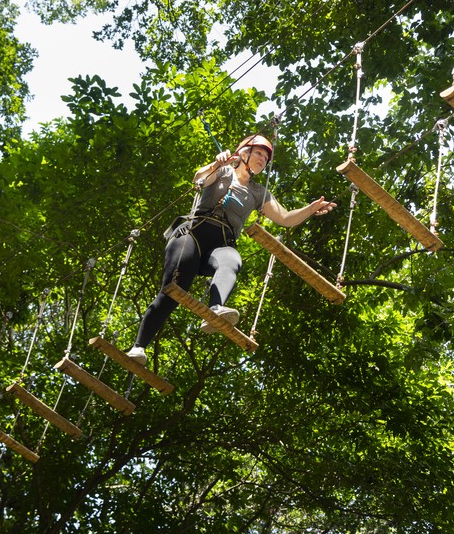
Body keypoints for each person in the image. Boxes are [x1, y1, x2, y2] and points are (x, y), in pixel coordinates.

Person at [125, 134, 337, 364]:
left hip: (220, 245)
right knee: (173, 291)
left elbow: (285, 218)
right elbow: (199, 179)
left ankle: (215, 308)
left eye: (266, 158)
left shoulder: (258, 193)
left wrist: (310, 208)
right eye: (259, 154)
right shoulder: (225, 171)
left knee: (232, 260)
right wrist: (218, 163)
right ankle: (138, 347)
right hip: (191, 235)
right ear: (243, 153)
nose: (263, 160)